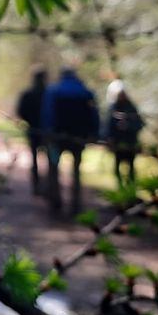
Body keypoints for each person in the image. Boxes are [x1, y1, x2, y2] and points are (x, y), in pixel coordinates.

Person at [41, 69, 100, 215]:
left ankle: (56, 201)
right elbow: (94, 115)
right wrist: (94, 134)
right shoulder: (85, 92)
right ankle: (76, 203)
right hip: (78, 139)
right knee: (76, 170)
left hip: (57, 138)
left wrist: (48, 132)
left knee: (54, 168)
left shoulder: (54, 91)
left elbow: (48, 113)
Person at [16, 70, 49, 196]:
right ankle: (46, 185)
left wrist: (29, 121)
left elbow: (21, 111)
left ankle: (37, 185)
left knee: (35, 158)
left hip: (33, 130)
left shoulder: (28, 94)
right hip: (46, 131)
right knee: (48, 159)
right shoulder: (49, 93)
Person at [104, 89, 144, 186]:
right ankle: (120, 186)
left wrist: (129, 126)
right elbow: (109, 125)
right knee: (117, 166)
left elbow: (139, 124)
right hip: (118, 143)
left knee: (130, 166)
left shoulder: (131, 108)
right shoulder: (114, 108)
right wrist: (109, 138)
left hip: (130, 143)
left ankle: (131, 187)